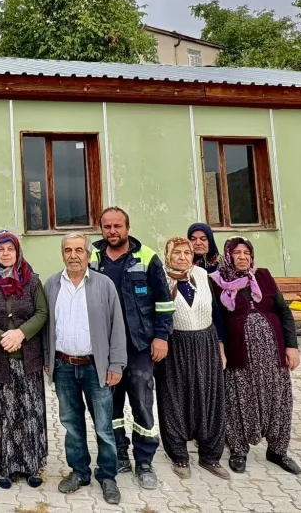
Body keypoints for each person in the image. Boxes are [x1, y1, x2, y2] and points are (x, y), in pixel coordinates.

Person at [89, 207, 173, 489]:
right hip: (106, 349)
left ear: (127, 227)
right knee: (109, 405)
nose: (112, 231)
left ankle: (145, 461)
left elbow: (163, 301)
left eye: (117, 226)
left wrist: (161, 337)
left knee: (141, 404)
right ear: (101, 229)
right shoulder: (93, 259)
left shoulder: (146, 257)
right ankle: (120, 454)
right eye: (107, 226)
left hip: (139, 346)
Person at [45, 232, 126, 505]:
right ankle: (79, 472)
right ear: (62, 254)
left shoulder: (104, 285)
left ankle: (107, 476)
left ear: (88, 254)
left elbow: (117, 327)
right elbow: (47, 327)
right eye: (68, 250)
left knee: (103, 426)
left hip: (96, 367)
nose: (74, 255)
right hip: (64, 366)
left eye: (79, 250)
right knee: (72, 425)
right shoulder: (52, 284)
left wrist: (116, 364)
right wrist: (48, 361)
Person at [210, 237, 301, 476]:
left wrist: (292, 347)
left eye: (246, 252)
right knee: (239, 400)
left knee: (278, 399)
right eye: (237, 253)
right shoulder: (218, 281)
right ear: (228, 256)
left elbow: (283, 311)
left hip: (273, 354)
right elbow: (217, 319)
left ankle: (277, 450)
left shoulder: (263, 276)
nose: (242, 257)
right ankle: (239, 450)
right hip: (239, 354)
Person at [0, 232, 48, 490]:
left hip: (28, 358)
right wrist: (3, 336)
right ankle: (4, 467)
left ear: (18, 252)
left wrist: (21, 333)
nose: (6, 254)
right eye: (1, 249)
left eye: (10, 249)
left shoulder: (32, 280)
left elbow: (42, 312)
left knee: (29, 413)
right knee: (2, 413)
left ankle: (30, 466)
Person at [155, 237, 230, 480]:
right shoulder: (160, 278)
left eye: (187, 252)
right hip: (175, 345)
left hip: (206, 343)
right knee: (174, 398)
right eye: (177, 252)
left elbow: (216, 314)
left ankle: (210, 455)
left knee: (209, 397)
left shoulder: (202, 275)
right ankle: (179, 455)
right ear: (168, 255)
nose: (183, 257)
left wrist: (220, 347)